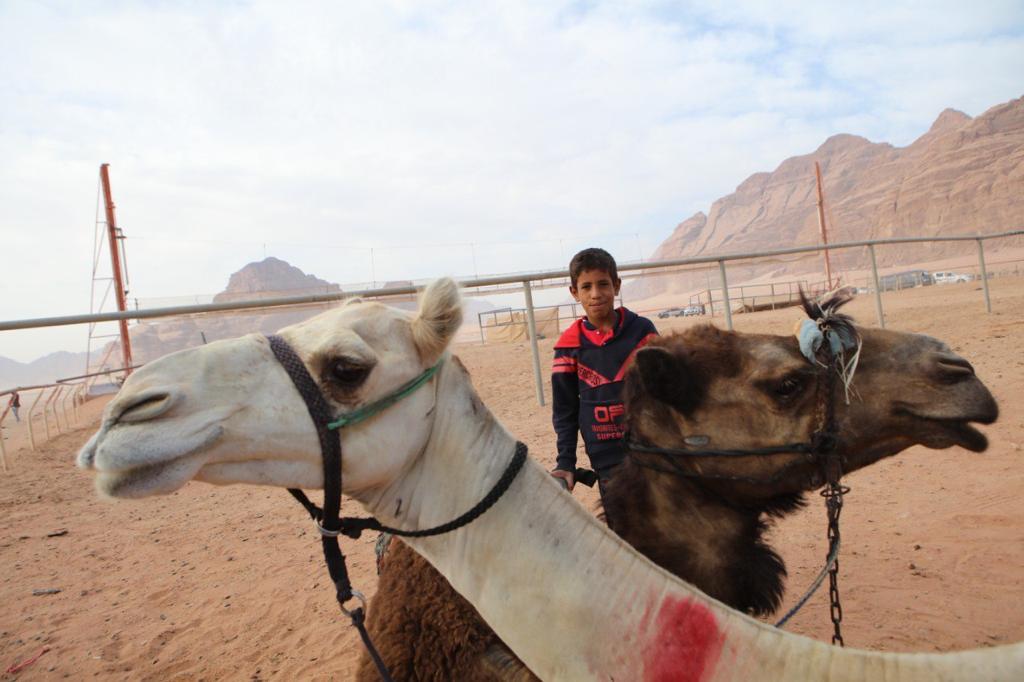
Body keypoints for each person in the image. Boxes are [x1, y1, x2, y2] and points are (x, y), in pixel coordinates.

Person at [550, 248, 657, 501]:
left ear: (616, 286)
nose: (595, 294)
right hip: (605, 457)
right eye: (586, 287)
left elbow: (665, 387)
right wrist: (565, 462)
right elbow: (565, 410)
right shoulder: (568, 345)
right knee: (621, 528)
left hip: (650, 449)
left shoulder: (642, 332)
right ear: (574, 292)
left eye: (603, 284)